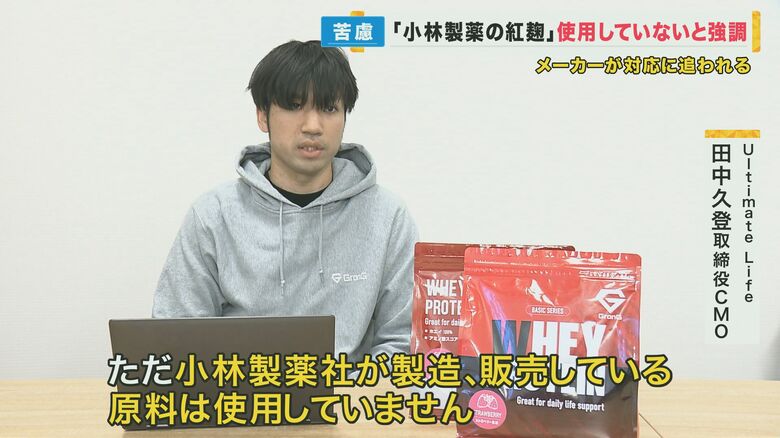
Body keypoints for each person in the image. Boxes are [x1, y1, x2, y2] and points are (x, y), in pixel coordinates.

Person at [152, 40, 418, 362]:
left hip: (348, 392)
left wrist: (354, 391)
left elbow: (402, 342)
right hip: (240, 389)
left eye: (329, 109)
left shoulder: (387, 217)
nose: (313, 126)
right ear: (262, 116)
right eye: (294, 106)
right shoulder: (214, 215)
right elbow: (177, 335)